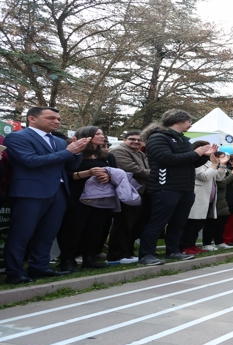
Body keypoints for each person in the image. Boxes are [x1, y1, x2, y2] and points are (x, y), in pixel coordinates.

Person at [3, 107, 89, 284]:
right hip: (30, 192)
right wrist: (69, 151)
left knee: (47, 234)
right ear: (32, 119)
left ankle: (40, 267)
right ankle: (15, 272)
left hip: (58, 192)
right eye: (51, 117)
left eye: (58, 118)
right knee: (21, 234)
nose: (56, 121)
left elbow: (69, 166)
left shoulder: (58, 141)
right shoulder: (17, 137)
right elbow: (31, 161)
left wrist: (78, 152)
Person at [138, 110, 216, 266]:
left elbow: (190, 163)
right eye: (189, 121)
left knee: (178, 222)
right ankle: (146, 255)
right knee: (158, 222)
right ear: (179, 121)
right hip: (165, 186)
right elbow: (166, 159)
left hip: (185, 187)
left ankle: (173, 250)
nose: (190, 124)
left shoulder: (183, 140)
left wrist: (204, 156)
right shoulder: (158, 137)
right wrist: (196, 153)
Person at [57, 126, 118, 271]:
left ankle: (89, 258)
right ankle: (68, 260)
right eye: (97, 134)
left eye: (102, 133)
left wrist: (108, 176)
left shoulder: (108, 156)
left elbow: (115, 173)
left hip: (100, 198)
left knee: (95, 228)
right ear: (86, 135)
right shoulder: (73, 154)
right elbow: (65, 175)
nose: (102, 136)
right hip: (77, 197)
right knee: (73, 229)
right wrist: (87, 173)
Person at [107, 131, 149, 264]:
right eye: (132, 139)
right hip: (126, 193)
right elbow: (132, 169)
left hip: (138, 192)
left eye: (139, 140)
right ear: (124, 139)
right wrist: (156, 174)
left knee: (134, 224)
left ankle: (128, 252)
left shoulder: (141, 154)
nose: (136, 142)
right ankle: (117, 254)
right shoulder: (119, 151)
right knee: (123, 223)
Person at [179, 143, 228, 253]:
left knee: (199, 223)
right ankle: (184, 246)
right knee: (191, 223)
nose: (210, 150)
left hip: (208, 198)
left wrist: (222, 165)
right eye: (206, 148)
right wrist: (214, 165)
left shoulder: (209, 162)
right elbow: (204, 176)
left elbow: (219, 178)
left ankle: (192, 245)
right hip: (198, 196)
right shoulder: (196, 161)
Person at [206, 152, 233, 251]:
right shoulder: (213, 169)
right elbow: (221, 183)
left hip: (229, 198)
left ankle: (219, 242)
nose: (225, 160)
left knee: (222, 222)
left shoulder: (227, 169)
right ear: (215, 158)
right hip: (218, 198)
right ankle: (207, 243)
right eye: (223, 157)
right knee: (213, 222)